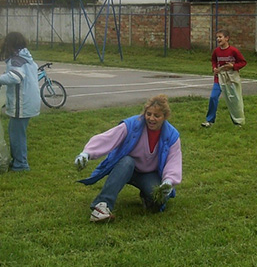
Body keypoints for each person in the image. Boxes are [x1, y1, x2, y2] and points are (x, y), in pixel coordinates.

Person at [74, 94, 182, 223]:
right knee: (127, 162)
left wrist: (168, 182)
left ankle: (146, 197)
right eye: (148, 114)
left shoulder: (172, 135)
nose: (151, 118)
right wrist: (86, 153)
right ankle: (102, 206)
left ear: (164, 117)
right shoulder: (132, 124)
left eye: (157, 116)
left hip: (148, 173)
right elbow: (108, 138)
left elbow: (173, 161)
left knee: (158, 202)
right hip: (125, 168)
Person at [0, 32, 40, 171]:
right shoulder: (27, 58)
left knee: (17, 134)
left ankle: (21, 164)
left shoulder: (16, 60)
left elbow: (15, 76)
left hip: (22, 103)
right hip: (29, 100)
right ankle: (17, 160)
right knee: (15, 132)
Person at [201, 29, 247, 127]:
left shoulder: (233, 50)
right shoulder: (216, 51)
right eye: (217, 37)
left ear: (226, 38)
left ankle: (238, 121)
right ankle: (210, 121)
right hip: (219, 78)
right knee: (213, 97)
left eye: (220, 37)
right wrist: (214, 68)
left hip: (231, 78)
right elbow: (213, 60)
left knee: (234, 100)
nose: (218, 39)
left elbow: (243, 62)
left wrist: (233, 66)